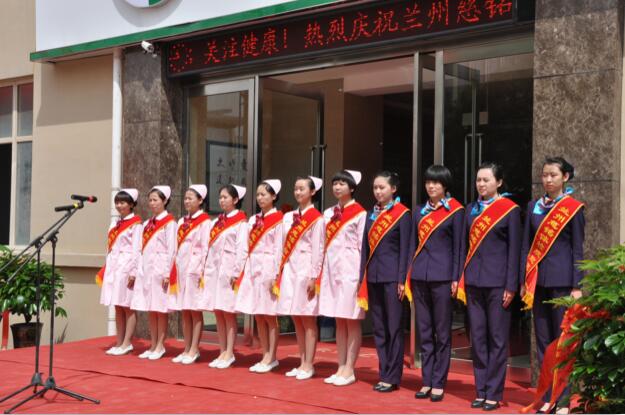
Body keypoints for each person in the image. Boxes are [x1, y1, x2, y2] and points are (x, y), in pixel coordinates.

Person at [520, 157, 584, 414]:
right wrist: (524, 280)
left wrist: (577, 285)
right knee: (543, 342)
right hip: (538, 284)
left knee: (562, 343)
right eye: (544, 175)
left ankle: (563, 400)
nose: (547, 180)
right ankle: (547, 397)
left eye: (553, 175)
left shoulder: (573, 209)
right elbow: (526, 247)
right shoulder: (533, 207)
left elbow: (578, 250)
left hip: (562, 284)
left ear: (565, 177)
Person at [457, 162, 521, 411]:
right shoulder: (470, 210)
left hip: (498, 284)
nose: (481, 184)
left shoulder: (510, 210)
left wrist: (511, 285)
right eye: (478, 180)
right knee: (478, 338)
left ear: (499, 182)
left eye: (486, 180)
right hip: (474, 282)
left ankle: (494, 392)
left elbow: (514, 251)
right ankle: (481, 389)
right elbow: (464, 247)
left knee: (497, 338)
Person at [406, 165, 464, 402]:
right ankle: (427, 380)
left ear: (445, 185)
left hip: (443, 278)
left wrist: (456, 277)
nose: (431, 186)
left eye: (436, 182)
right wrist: (408, 275)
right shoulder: (418, 211)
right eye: (428, 182)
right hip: (420, 276)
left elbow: (459, 247)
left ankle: (439, 382)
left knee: (442, 332)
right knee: (425, 331)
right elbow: (412, 245)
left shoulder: (456, 211)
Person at [359, 171, 411, 393]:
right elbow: (365, 249)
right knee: (379, 328)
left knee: (394, 328)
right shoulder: (370, 215)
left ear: (393, 189)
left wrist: (402, 279)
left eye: (382, 187)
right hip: (374, 277)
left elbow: (406, 249)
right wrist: (362, 277)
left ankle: (393, 376)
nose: (378, 191)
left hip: (393, 279)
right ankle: (383, 373)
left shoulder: (403, 214)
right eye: (375, 188)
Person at [318, 170, 367, 387]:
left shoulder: (360, 213)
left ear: (352, 188)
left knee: (351, 319)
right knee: (339, 319)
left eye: (342, 184)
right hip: (332, 271)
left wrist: (361, 276)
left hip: (351, 271)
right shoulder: (328, 213)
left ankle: (350, 369)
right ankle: (340, 366)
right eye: (335, 183)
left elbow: (362, 247)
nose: (337, 187)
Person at [274, 176, 325, 381]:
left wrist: (314, 276)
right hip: (290, 269)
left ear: (312, 192)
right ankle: (301, 362)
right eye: (296, 188)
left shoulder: (317, 218)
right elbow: (281, 244)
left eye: (302, 189)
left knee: (308, 317)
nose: (298, 192)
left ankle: (309, 364)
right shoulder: (288, 217)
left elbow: (318, 249)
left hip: (306, 270)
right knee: (296, 316)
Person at [235, 180, 284, 374]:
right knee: (258, 315)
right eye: (258, 195)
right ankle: (265, 354)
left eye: (264, 194)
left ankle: (272, 356)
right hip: (253, 270)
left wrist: (276, 275)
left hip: (269, 270)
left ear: (274, 196)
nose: (260, 198)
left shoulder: (279, 220)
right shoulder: (253, 220)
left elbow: (279, 249)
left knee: (270, 315)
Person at [201, 184, 248, 369]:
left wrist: (236, 272)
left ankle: (230, 352)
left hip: (229, 272)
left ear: (235, 200)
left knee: (228, 313)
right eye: (220, 197)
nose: (221, 200)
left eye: (225, 197)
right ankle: (222, 350)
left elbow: (242, 249)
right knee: (218, 312)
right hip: (214, 272)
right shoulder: (216, 222)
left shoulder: (241, 223)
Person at [131, 186, 177, 360]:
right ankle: (152, 344)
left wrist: (167, 273)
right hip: (148, 269)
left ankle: (160, 345)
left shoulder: (170, 224)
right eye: (150, 200)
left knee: (160, 308)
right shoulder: (147, 224)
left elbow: (172, 249)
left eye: (155, 200)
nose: (152, 203)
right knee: (151, 308)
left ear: (165, 201)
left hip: (161, 269)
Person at [97, 188, 143, 356]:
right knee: (117, 305)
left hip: (127, 267)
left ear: (131, 204)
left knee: (127, 305)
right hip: (114, 267)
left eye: (123, 202)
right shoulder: (115, 223)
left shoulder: (136, 224)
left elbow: (137, 249)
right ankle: (119, 342)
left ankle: (127, 342)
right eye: (117, 202)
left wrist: (134, 272)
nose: (119, 205)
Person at [169, 184, 211, 365]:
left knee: (194, 309)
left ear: (200, 200)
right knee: (184, 310)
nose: (186, 201)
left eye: (190, 198)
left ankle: (194, 349)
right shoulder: (181, 221)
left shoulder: (205, 222)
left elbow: (205, 248)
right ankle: (186, 348)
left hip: (195, 269)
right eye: (185, 198)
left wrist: (201, 270)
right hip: (182, 268)